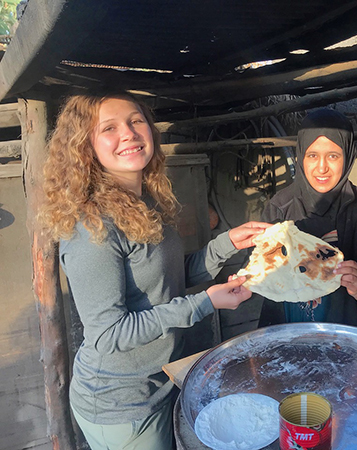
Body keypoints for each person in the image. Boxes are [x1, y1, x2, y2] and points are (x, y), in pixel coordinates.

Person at [39, 91, 271, 450]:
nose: (129, 133)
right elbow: (108, 334)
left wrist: (228, 243)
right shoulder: (92, 229)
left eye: (135, 121)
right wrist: (204, 304)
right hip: (121, 402)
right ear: (84, 146)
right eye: (110, 128)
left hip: (160, 381)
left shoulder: (144, 201)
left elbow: (170, 277)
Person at [258, 108, 357, 332]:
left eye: (333, 156)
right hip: (286, 334)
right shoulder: (280, 208)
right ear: (300, 155)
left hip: (348, 340)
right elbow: (261, 271)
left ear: (348, 156)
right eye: (312, 155)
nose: (322, 167)